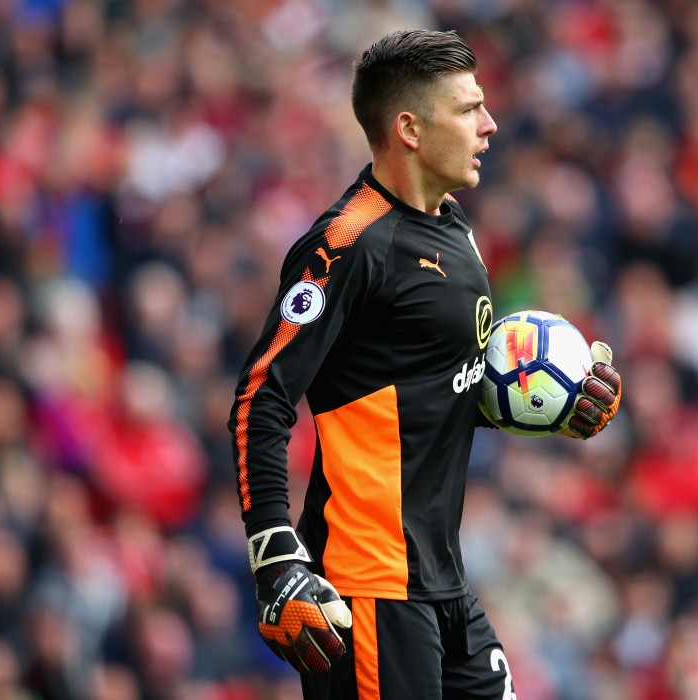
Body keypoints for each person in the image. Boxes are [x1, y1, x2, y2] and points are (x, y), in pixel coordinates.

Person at [227, 29, 622, 699]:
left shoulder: (455, 227)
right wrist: (276, 557)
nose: (490, 125)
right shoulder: (347, 246)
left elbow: (427, 390)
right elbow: (261, 398)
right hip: (369, 587)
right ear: (410, 128)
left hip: (442, 581)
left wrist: (547, 405)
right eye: (469, 109)